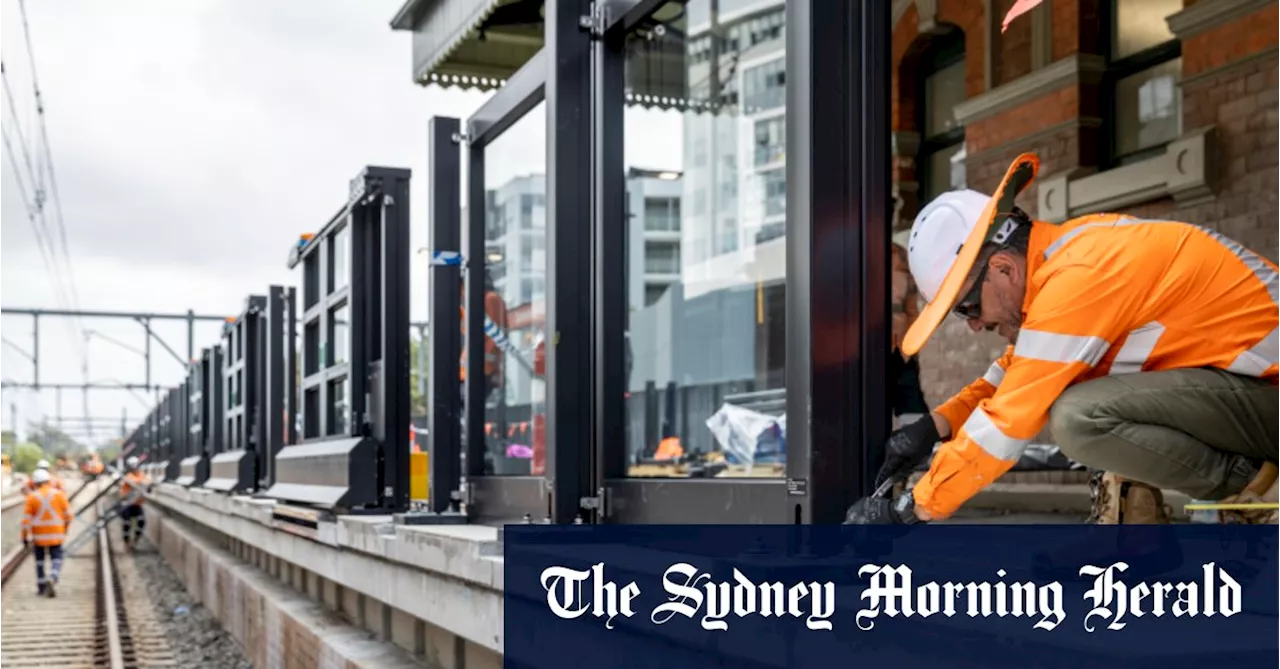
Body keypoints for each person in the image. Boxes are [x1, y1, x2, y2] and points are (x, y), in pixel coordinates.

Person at [845, 152, 1280, 526]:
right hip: (1253, 394)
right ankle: (1135, 534)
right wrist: (935, 426)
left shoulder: (1078, 279)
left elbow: (1005, 425)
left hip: (1269, 396)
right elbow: (1014, 375)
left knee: (1079, 416)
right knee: (1084, 379)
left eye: (968, 308)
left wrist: (910, 509)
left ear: (1003, 269)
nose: (974, 325)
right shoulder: (1068, 259)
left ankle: (1262, 496)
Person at [20, 468, 71, 597]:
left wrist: (24, 538)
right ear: (48, 481)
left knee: (39, 561)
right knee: (57, 558)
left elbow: (25, 521)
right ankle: (53, 577)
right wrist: (64, 531)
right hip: (57, 534)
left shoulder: (31, 497)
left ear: (35, 483)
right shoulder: (59, 495)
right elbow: (69, 516)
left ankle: (41, 587)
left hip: (39, 536)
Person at [119, 456, 152, 549]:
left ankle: (136, 539)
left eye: (135, 465)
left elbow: (148, 482)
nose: (134, 467)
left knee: (141, 521)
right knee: (127, 523)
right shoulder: (128, 475)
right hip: (127, 504)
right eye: (132, 465)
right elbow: (133, 481)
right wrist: (144, 482)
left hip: (137, 504)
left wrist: (145, 482)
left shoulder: (141, 474)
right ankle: (126, 541)